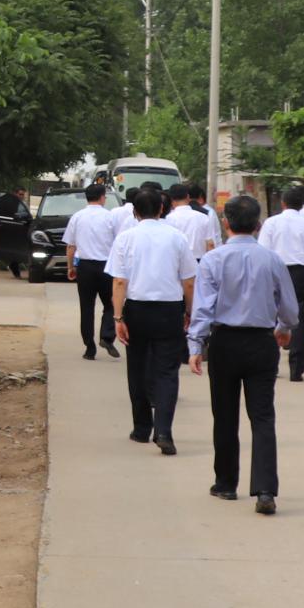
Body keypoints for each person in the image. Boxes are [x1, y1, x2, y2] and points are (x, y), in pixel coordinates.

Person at [188, 195, 297, 514]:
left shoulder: (213, 260)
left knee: (224, 413)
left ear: (225, 223)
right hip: (262, 342)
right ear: (259, 225)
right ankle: (265, 489)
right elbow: (289, 307)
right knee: (262, 415)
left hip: (224, 342)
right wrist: (285, 327)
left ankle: (225, 483)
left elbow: (204, 307)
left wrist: (196, 345)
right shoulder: (272, 259)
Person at [111, 186, 196, 455]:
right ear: (162, 209)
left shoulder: (126, 239)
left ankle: (141, 428)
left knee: (137, 369)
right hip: (169, 309)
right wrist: (190, 312)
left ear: (134, 212)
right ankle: (164, 430)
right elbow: (189, 282)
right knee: (167, 372)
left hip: (137, 309)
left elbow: (119, 281)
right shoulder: (177, 238)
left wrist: (118, 317)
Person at [257, 184, 304, 381]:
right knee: (301, 320)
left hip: (275, 270)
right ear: (301, 205)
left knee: (271, 317)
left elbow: (263, 253)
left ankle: (271, 365)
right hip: (300, 273)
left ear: (283, 203)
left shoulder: (271, 223)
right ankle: (296, 369)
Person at [62, 182, 122, 361]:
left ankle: (89, 347)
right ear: (103, 197)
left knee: (86, 307)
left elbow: (71, 246)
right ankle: (106, 336)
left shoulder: (77, 217)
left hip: (85, 267)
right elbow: (118, 244)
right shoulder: (110, 217)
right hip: (106, 267)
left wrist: (71, 267)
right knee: (111, 304)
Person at [165, 181, 217, 261]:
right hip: (200, 260)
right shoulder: (203, 217)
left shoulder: (169, 219)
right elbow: (210, 244)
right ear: (188, 197)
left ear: (171, 199)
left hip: (179, 260)